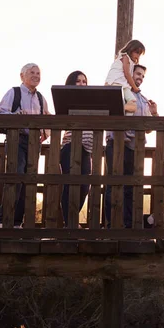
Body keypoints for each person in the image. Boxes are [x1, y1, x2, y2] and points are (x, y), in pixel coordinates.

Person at [0, 63, 51, 228]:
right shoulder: (14, 92)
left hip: (34, 143)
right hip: (16, 140)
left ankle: (17, 222)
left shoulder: (41, 98)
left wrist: (43, 135)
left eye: (38, 73)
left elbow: (48, 120)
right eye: (31, 72)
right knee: (15, 177)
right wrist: (16, 116)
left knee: (28, 181)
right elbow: (0, 112)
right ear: (22, 76)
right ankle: (1, 221)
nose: (36, 76)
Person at [104, 64, 158, 228]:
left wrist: (154, 112)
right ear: (129, 74)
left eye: (143, 76)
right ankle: (111, 223)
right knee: (113, 184)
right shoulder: (120, 92)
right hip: (118, 144)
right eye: (138, 74)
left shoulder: (143, 100)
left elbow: (149, 129)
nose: (140, 78)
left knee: (131, 187)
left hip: (136, 148)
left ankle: (127, 224)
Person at [60, 71, 92, 227]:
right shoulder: (67, 99)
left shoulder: (93, 101)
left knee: (85, 185)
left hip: (87, 148)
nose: (82, 83)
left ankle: (72, 219)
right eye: (78, 81)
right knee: (70, 183)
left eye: (84, 81)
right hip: (70, 145)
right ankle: (69, 222)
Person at [104, 40, 146, 109]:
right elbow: (127, 74)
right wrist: (135, 87)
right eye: (136, 52)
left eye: (140, 54)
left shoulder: (132, 63)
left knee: (132, 103)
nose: (138, 56)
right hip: (115, 83)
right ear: (130, 49)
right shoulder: (125, 57)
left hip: (123, 85)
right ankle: (119, 108)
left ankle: (122, 112)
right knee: (120, 101)